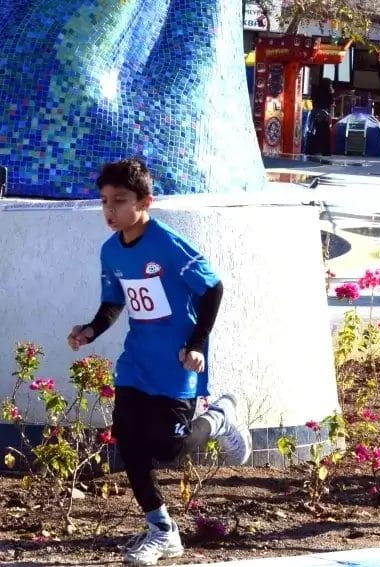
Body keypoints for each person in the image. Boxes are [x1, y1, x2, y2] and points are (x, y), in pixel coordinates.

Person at [67, 159, 251, 566]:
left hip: (176, 362)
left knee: (168, 448)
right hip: (136, 362)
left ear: (145, 201)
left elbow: (213, 289)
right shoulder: (110, 251)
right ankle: (161, 530)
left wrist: (197, 343)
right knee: (129, 442)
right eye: (104, 201)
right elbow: (113, 302)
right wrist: (90, 330)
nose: (110, 210)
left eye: (120, 200)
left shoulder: (167, 244)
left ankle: (219, 417)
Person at [309, 78, 334, 155]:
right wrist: (332, 93)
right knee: (325, 133)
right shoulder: (328, 93)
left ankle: (313, 150)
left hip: (316, 113)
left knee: (317, 131)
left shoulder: (316, 91)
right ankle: (325, 151)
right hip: (324, 114)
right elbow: (330, 102)